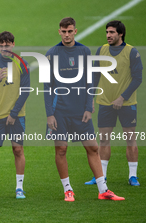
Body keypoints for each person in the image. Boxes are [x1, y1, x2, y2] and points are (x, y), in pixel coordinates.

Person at [44, 17, 124, 202]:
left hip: (81, 111)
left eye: (70, 31)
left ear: (75, 31)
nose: (66, 35)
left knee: (93, 148)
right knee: (61, 150)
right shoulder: (51, 54)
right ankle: (68, 189)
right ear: (59, 32)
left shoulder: (84, 52)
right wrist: (49, 114)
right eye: (63, 31)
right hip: (60, 111)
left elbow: (90, 81)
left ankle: (103, 189)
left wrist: (89, 106)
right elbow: (47, 87)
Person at [85, 20, 143, 186]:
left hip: (127, 103)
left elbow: (138, 78)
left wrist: (122, 97)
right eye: (107, 32)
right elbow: (95, 76)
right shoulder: (102, 50)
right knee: (103, 139)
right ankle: (101, 177)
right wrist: (91, 99)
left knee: (130, 138)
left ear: (120, 34)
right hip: (105, 103)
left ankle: (133, 176)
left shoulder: (132, 52)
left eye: (111, 32)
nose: (108, 35)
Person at [0, 31, 29, 199]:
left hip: (16, 116)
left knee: (17, 149)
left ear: (13, 45)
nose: (4, 48)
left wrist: (14, 114)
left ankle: (19, 188)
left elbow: (25, 91)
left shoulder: (22, 64)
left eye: (7, 45)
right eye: (1, 45)